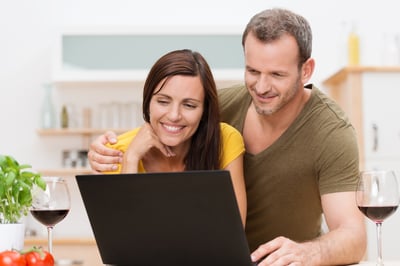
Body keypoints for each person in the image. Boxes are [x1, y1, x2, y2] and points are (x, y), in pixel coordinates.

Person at [87, 8, 367, 266]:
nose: (261, 86)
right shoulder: (219, 106)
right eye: (253, 71)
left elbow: (354, 237)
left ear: (305, 70)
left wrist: (309, 252)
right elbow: (166, 125)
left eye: (277, 74)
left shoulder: (332, 132)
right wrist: (108, 148)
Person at [96, 49, 247, 225]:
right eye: (163, 101)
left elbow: (233, 230)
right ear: (148, 102)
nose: (174, 115)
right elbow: (118, 236)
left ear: (204, 111)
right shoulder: (116, 152)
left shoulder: (225, 139)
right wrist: (131, 159)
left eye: (189, 105)